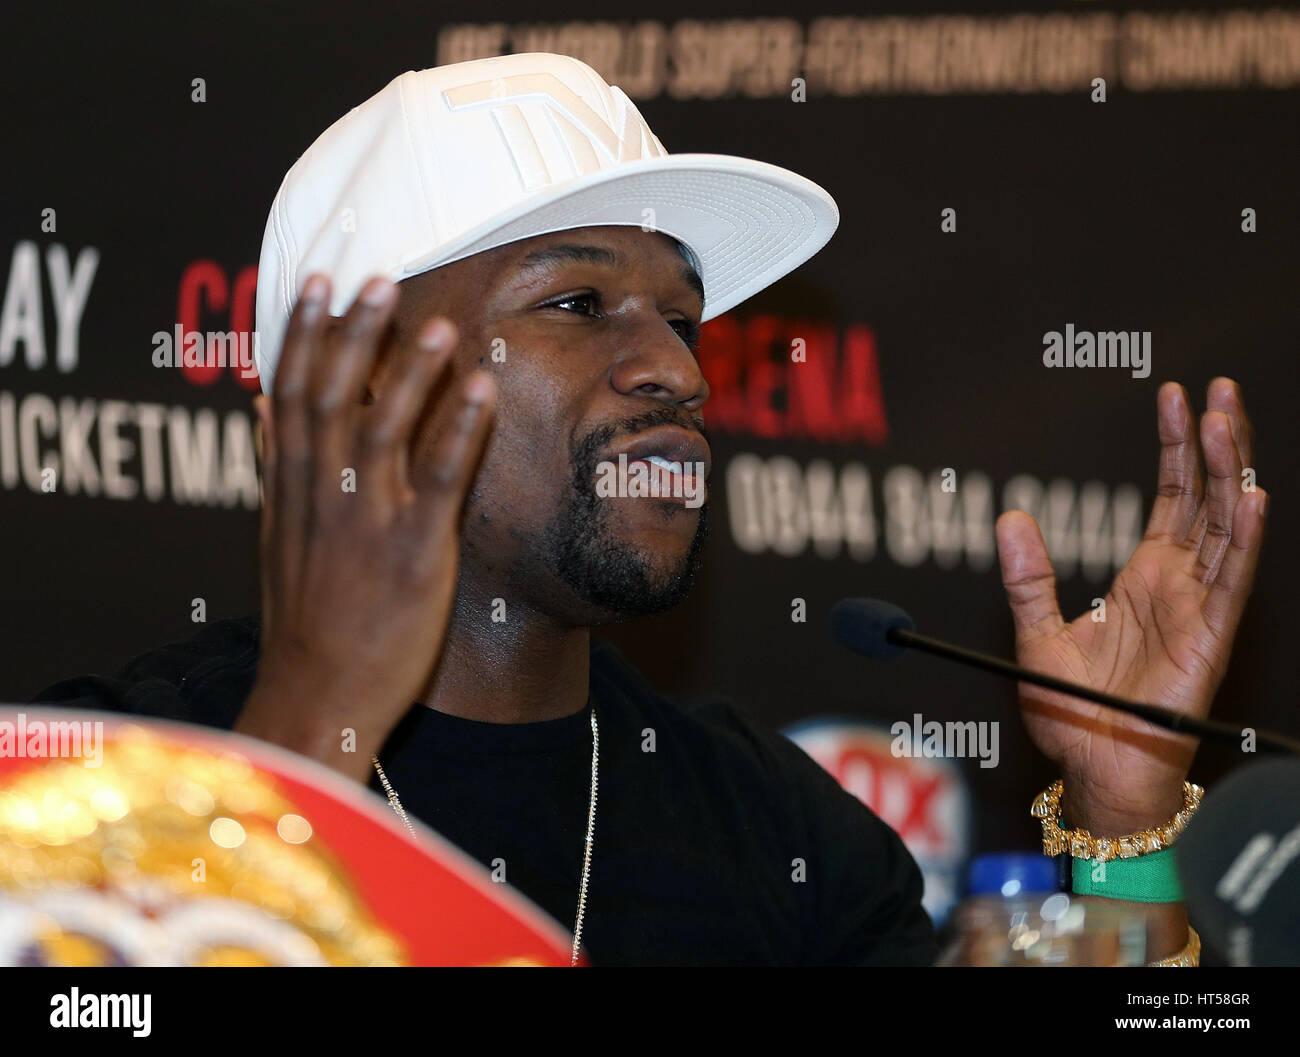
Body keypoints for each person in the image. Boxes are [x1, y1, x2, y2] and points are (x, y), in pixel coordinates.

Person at [35, 54, 1267, 966]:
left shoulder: (786, 838)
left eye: (681, 319)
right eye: (576, 303)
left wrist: (1127, 818)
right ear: (348, 388)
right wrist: (318, 721)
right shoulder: (88, 783)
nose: (678, 370)